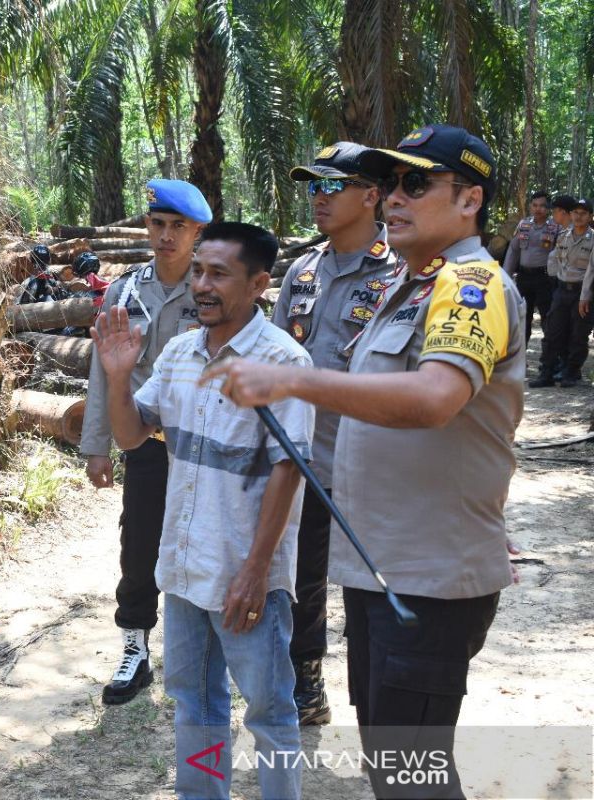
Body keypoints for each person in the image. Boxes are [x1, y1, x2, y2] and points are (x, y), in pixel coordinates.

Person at [203, 124, 523, 799]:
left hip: (430, 577)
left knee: (414, 780)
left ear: (470, 200)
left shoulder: (470, 285)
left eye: (416, 183)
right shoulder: (409, 285)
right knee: (394, 768)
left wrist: (294, 381)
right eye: (392, 185)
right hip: (384, 568)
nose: (396, 199)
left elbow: (437, 396)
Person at [93, 221, 310, 800]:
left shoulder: (282, 361)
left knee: (268, 711)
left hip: (246, 574)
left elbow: (288, 471)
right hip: (186, 568)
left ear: (260, 283)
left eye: (219, 274)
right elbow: (134, 435)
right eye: (198, 271)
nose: (202, 286)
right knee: (195, 702)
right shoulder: (181, 352)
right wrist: (117, 377)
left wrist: (256, 572)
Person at [274, 142, 397, 726]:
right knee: (303, 578)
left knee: (373, 587)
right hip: (304, 457)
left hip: (374, 463)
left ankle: (385, 701)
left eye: (332, 185)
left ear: (371, 195)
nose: (318, 197)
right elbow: (274, 356)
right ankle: (308, 681)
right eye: (313, 185)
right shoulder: (302, 268)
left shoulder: (405, 273)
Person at [81, 179, 211, 705]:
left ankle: (198, 653)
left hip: (202, 442)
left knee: (202, 543)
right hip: (144, 441)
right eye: (158, 224)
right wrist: (96, 444)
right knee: (139, 546)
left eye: (178, 226)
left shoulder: (212, 288)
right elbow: (101, 369)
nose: (165, 236)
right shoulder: (125, 291)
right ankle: (134, 648)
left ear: (197, 231)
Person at [530, 198, 594, 388]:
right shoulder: (563, 235)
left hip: (582, 293)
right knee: (552, 332)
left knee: (578, 335)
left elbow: (591, 271)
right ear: (570, 214)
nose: (578, 217)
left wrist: (585, 297)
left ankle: (571, 372)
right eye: (575, 212)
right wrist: (555, 285)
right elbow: (556, 261)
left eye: (583, 213)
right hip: (561, 290)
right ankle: (546, 372)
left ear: (590, 216)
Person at [503, 191, 561, 342]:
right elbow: (513, 250)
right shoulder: (524, 225)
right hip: (524, 278)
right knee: (522, 317)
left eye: (542, 206)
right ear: (530, 206)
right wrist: (505, 275)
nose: (538, 209)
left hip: (544, 278)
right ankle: (521, 358)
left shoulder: (555, 228)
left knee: (547, 318)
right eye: (535, 205)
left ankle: (549, 360)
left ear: (548, 208)